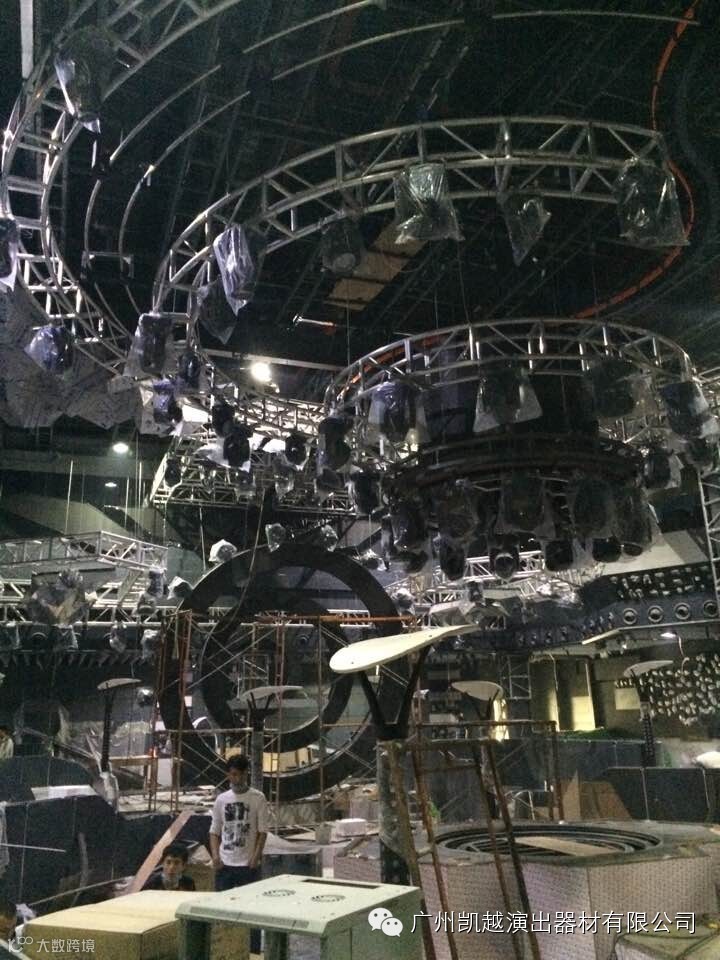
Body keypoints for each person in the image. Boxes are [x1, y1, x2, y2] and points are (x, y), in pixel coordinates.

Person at [209, 755, 268, 953]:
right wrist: (215, 856)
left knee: (252, 911)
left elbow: (262, 831)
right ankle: (223, 951)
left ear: (246, 774)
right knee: (221, 911)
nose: (237, 779)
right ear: (228, 775)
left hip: (247, 865)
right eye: (233, 774)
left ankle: (253, 952)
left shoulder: (258, 798)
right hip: (225, 864)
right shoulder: (221, 800)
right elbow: (214, 831)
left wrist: (256, 856)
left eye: (241, 775)